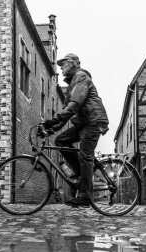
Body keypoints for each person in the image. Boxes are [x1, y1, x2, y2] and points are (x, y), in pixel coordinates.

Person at [43, 53, 109, 208]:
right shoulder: (72, 83)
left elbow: (74, 105)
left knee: (85, 155)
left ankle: (86, 195)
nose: (61, 67)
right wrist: (50, 129)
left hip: (93, 120)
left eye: (64, 64)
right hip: (83, 122)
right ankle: (81, 174)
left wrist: (53, 120)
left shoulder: (81, 77)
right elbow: (67, 112)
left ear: (73, 63)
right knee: (61, 140)